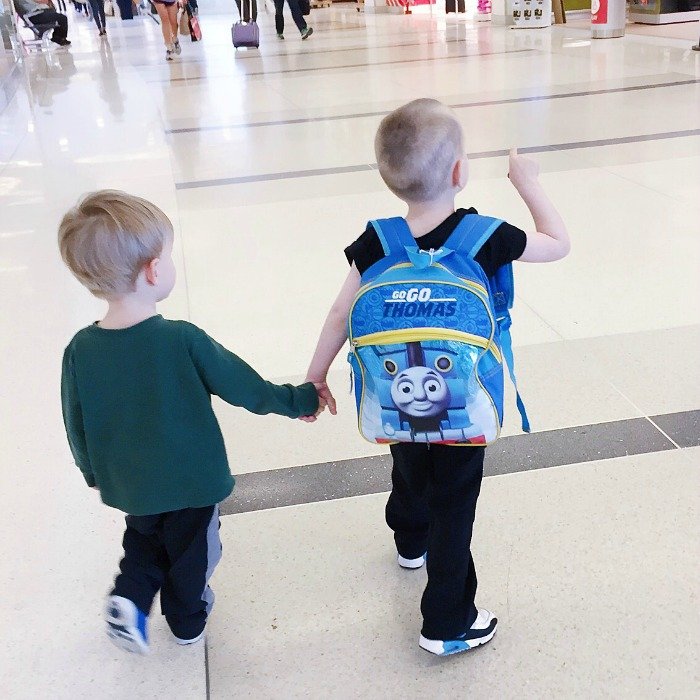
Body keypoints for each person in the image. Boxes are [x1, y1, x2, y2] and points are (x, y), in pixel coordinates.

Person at [303, 99, 570, 656]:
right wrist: (527, 182)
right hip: (465, 406)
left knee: (408, 461)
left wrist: (316, 373)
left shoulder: (377, 240)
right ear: (458, 172)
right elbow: (558, 245)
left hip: (395, 399)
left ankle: (407, 537)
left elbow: (338, 315)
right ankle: (447, 622)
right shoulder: (485, 235)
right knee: (456, 502)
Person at [58, 191, 329, 654]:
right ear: (152, 270)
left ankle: (129, 598)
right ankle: (187, 621)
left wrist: (92, 472)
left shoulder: (80, 350)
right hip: (192, 481)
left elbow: (75, 420)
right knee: (192, 553)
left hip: (130, 483)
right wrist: (298, 399)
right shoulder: (181, 339)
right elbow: (247, 389)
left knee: (143, 542)